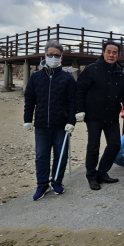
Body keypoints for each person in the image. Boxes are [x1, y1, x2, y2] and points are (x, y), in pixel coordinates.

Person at [75, 41, 124, 191]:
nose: (111, 55)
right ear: (103, 52)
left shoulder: (120, 73)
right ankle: (91, 176)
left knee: (115, 145)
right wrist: (79, 110)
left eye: (114, 52)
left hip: (111, 115)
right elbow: (79, 90)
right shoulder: (92, 69)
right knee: (93, 146)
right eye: (109, 52)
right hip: (94, 115)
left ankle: (102, 172)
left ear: (118, 54)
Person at [23, 40, 77, 200]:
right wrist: (27, 119)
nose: (53, 57)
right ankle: (42, 184)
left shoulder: (68, 79)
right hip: (41, 124)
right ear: (44, 55)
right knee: (41, 155)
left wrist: (71, 121)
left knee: (61, 154)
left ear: (61, 57)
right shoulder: (36, 77)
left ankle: (57, 182)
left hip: (62, 125)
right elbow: (29, 99)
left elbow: (72, 102)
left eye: (56, 55)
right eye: (50, 55)